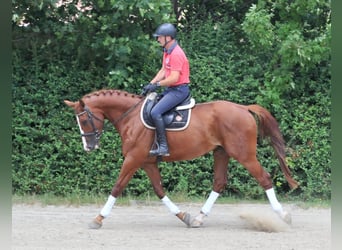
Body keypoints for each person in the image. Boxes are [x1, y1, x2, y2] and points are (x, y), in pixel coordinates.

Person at [143, 23, 191, 157]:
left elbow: (174, 78)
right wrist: (150, 84)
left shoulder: (176, 54)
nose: (158, 39)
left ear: (168, 38)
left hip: (179, 90)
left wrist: (157, 85)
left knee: (155, 112)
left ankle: (163, 147)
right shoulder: (167, 51)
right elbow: (164, 70)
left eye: (160, 37)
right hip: (171, 90)